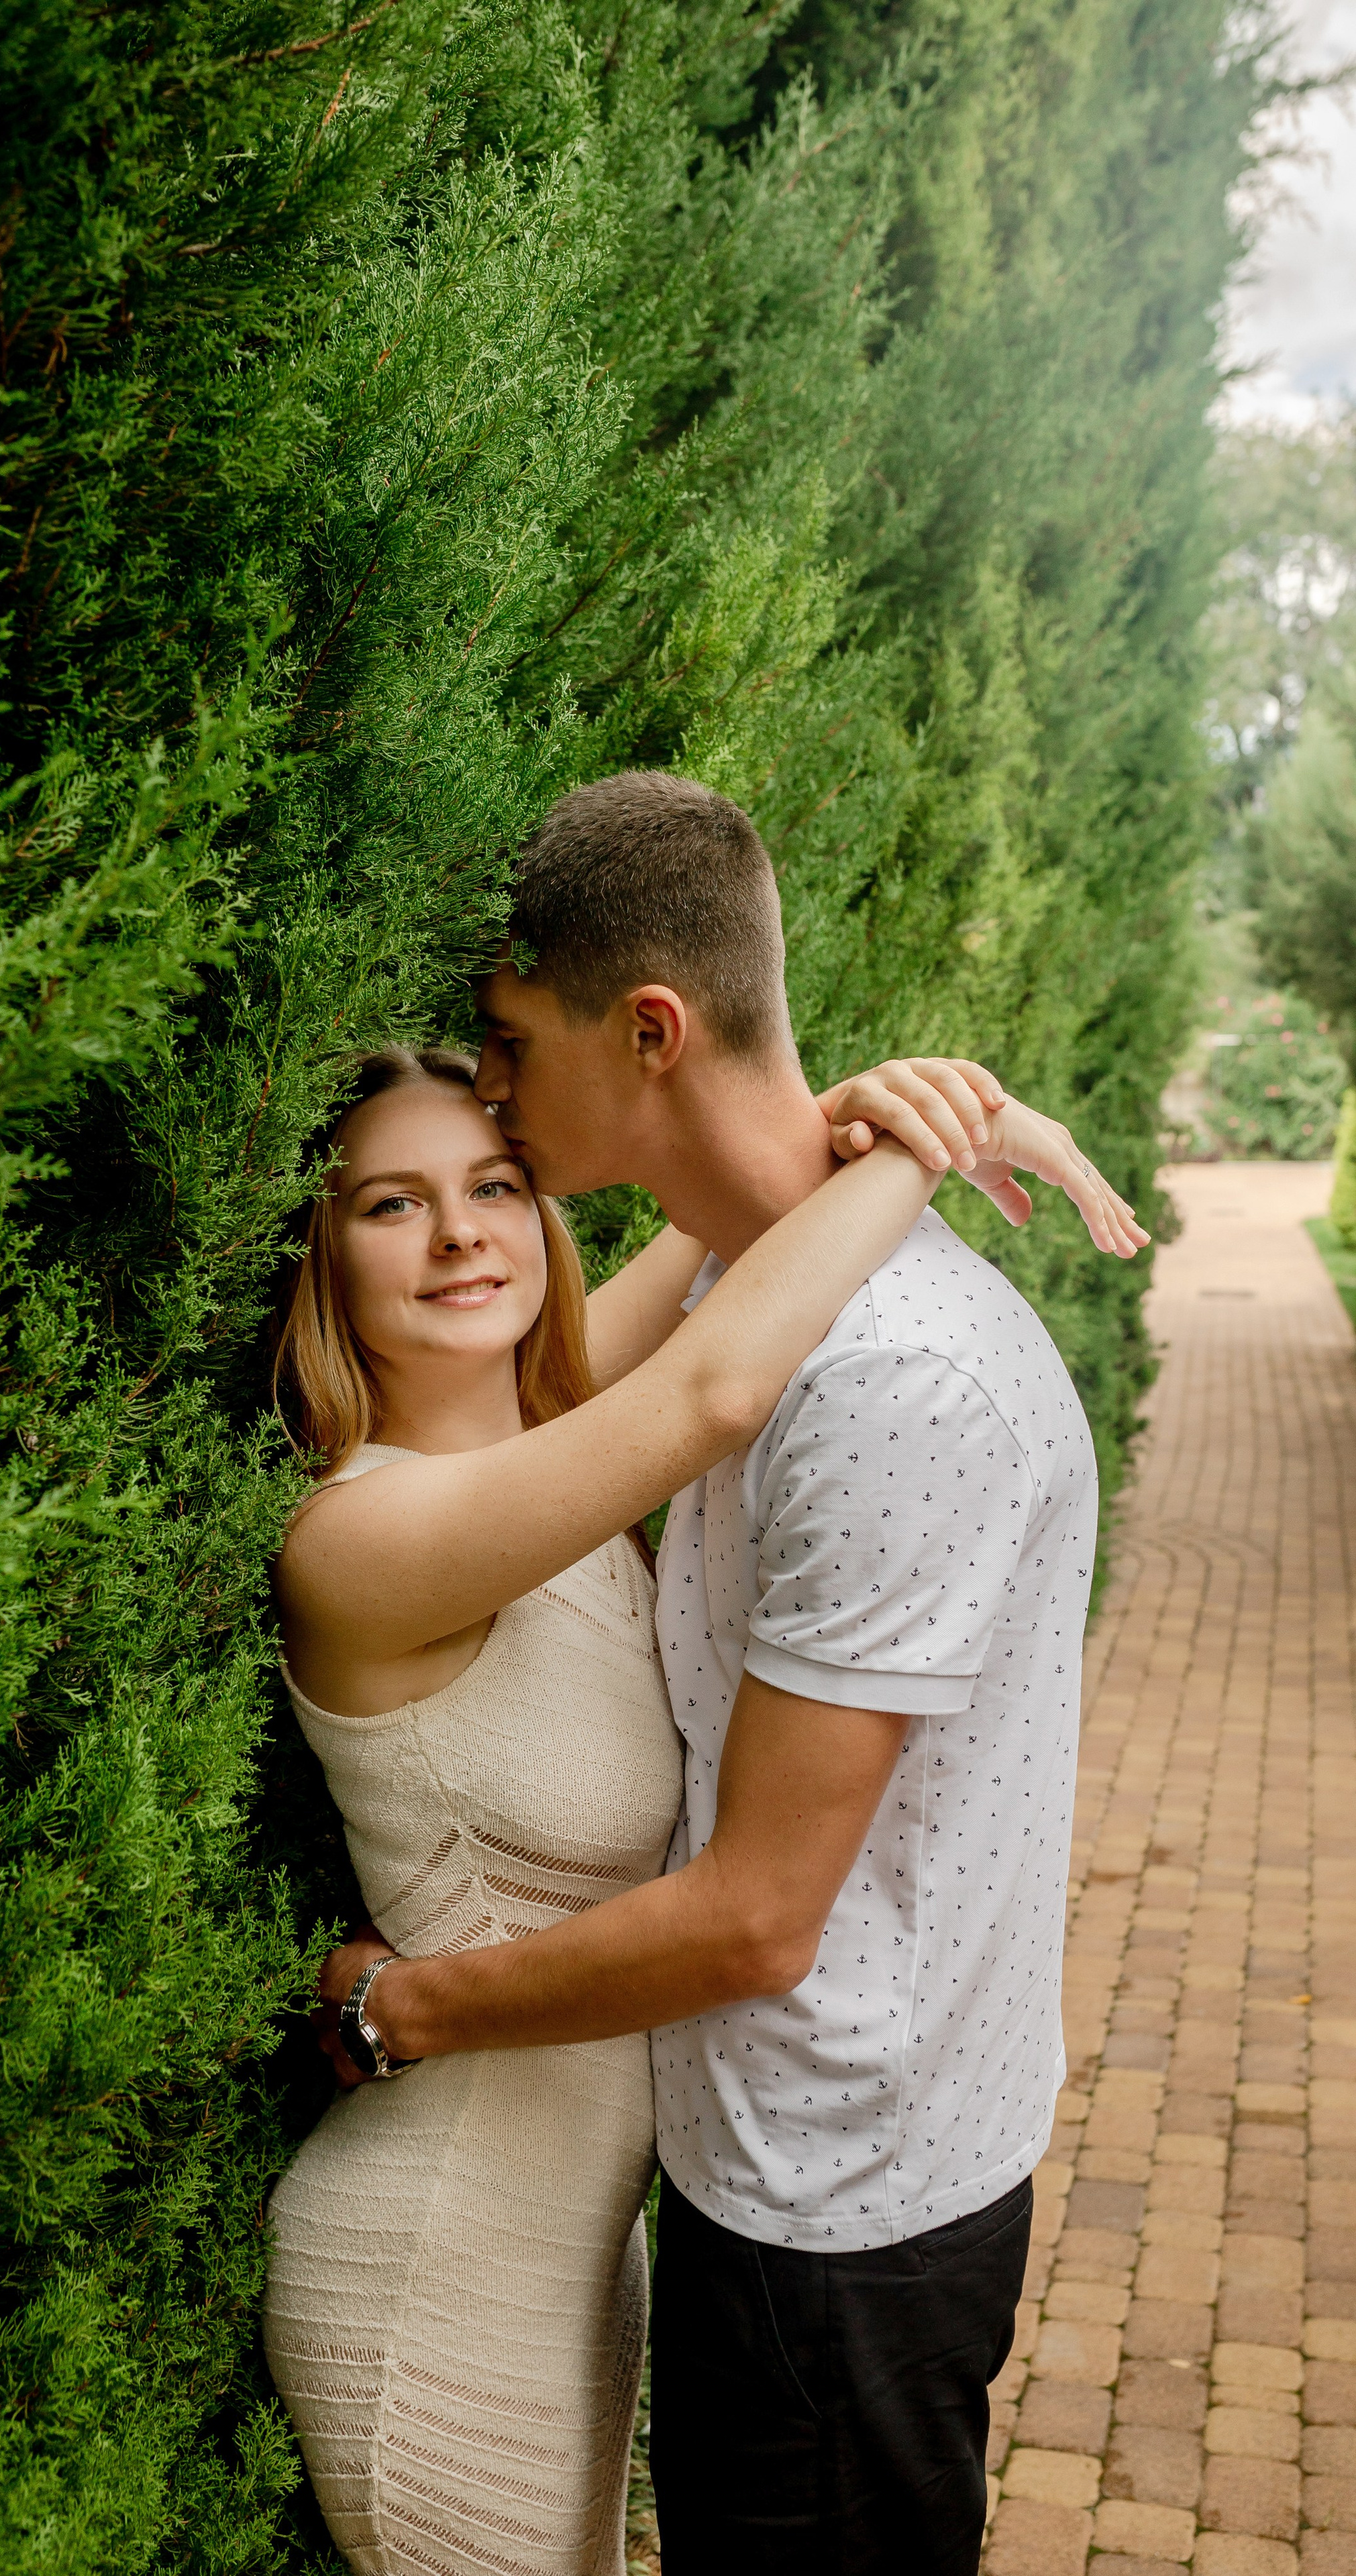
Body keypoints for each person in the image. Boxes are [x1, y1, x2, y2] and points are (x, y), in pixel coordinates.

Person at [270, 773, 1141, 2576]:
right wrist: (902, 1135)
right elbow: (709, 1377)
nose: (471, 1208)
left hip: (786, 2213)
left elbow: (714, 1313)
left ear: (644, 1029)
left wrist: (869, 1131)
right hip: (493, 2239)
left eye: (499, 1134)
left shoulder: (692, 1411)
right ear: (323, 1262)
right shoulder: (428, 1512)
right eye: (395, 1205)